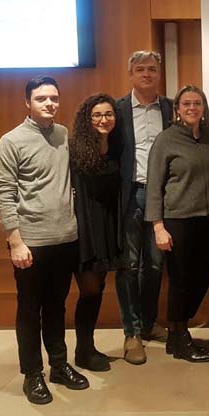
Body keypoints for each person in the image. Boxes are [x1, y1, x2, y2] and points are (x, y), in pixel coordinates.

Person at [0, 77, 89, 405]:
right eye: (41, 98)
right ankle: (32, 374)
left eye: (54, 98)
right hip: (31, 243)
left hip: (65, 239)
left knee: (57, 307)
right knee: (29, 309)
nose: (49, 103)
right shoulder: (11, 141)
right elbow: (4, 193)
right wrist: (15, 241)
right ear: (27, 103)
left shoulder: (63, 135)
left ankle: (59, 366)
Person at [146, 85, 209, 363]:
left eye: (197, 103)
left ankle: (176, 333)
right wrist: (158, 226)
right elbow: (154, 185)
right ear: (177, 109)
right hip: (177, 220)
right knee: (180, 281)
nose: (192, 108)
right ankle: (180, 337)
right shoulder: (166, 140)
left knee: (201, 279)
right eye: (186, 103)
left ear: (204, 107)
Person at [116, 50, 173, 364]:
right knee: (128, 266)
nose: (146, 74)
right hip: (129, 195)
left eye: (151, 69)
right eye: (140, 69)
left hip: (162, 198)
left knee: (154, 265)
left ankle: (149, 323)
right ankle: (132, 332)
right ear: (131, 74)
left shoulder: (171, 108)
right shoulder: (117, 109)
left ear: (159, 74)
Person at [69, 93, 124, 372]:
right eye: (97, 115)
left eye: (109, 114)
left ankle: (86, 348)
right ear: (87, 119)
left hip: (107, 225)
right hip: (84, 225)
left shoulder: (118, 146)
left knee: (98, 288)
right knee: (89, 290)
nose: (104, 119)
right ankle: (83, 349)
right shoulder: (75, 148)